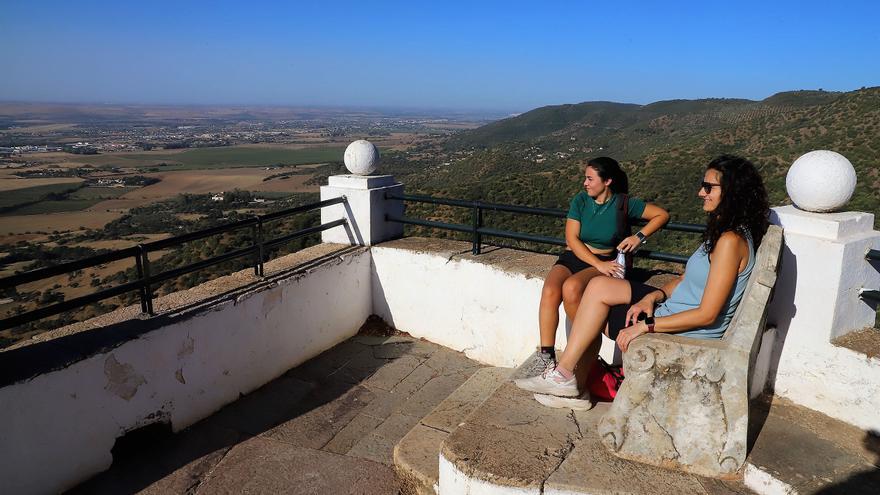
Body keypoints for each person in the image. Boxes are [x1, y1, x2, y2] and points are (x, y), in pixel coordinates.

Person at [516, 154, 770, 407]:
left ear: (733, 192)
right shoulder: (725, 234)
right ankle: (571, 379)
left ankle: (568, 378)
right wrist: (652, 296)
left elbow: (707, 315)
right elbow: (684, 279)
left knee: (590, 309)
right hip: (672, 308)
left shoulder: (729, 242)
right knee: (597, 287)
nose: (700, 192)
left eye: (708, 187)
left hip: (687, 328)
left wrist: (645, 326)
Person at [531, 157, 669, 373]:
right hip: (576, 257)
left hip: (606, 261)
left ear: (607, 181)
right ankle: (546, 355)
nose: (585, 183)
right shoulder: (581, 201)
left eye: (589, 179)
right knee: (550, 290)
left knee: (572, 287)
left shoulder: (623, 204)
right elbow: (572, 239)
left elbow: (662, 215)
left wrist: (638, 237)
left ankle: (585, 348)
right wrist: (596, 263)